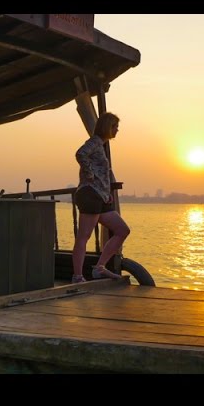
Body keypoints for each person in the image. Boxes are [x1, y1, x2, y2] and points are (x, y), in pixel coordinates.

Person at [71, 112, 130, 283]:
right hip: (89, 194)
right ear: (107, 127)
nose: (117, 130)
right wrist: (89, 175)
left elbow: (102, 174)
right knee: (84, 236)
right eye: (115, 126)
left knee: (122, 230)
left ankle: (99, 268)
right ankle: (77, 276)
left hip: (100, 196)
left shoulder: (101, 145)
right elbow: (80, 154)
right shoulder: (95, 142)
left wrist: (106, 194)